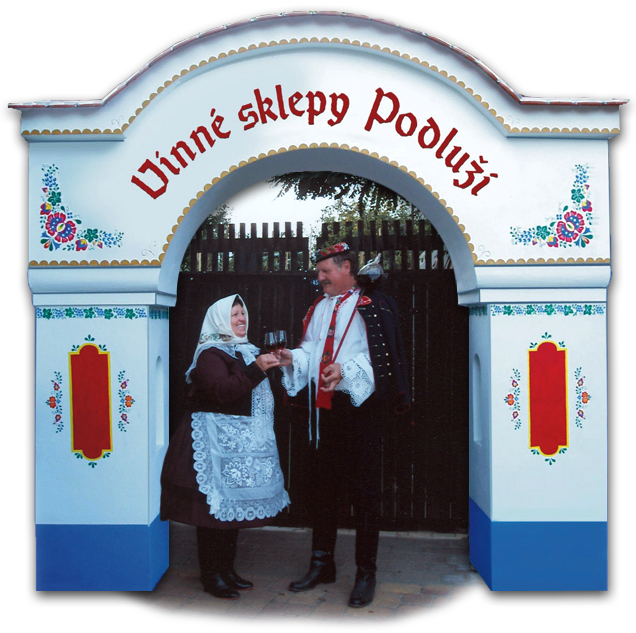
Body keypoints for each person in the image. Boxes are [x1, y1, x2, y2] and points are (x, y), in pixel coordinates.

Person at [278, 243, 410, 608]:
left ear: (346, 267)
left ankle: (366, 573)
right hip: (323, 409)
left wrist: (346, 371)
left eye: (326, 272)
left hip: (359, 408)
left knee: (365, 493)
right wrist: (293, 357)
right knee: (322, 487)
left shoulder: (374, 304)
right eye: (319, 272)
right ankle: (322, 564)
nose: (319, 278)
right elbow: (311, 349)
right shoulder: (319, 307)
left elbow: (381, 358)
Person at [160, 294, 290, 600]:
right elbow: (221, 392)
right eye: (234, 314)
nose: (241, 318)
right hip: (211, 442)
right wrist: (257, 368)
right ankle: (212, 575)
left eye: (243, 313)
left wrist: (265, 365)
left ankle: (227, 569)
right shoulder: (210, 354)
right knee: (212, 513)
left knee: (232, 508)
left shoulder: (245, 351)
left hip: (236, 443)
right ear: (219, 320)